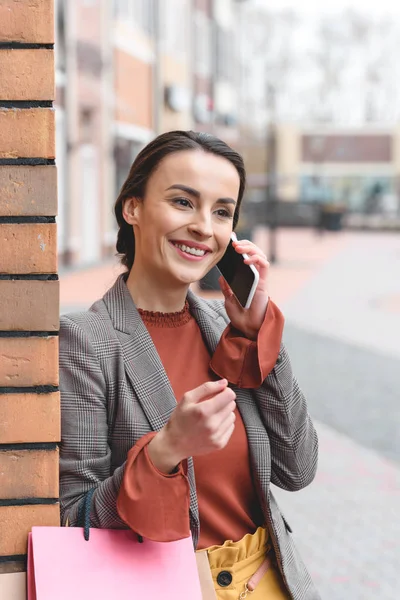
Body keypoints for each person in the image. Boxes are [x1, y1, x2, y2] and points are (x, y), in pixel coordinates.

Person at [59, 131, 320, 600]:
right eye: (183, 202)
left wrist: (258, 333)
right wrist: (166, 451)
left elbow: (297, 468)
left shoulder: (228, 331)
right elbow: (73, 517)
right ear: (132, 207)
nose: (204, 226)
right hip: (165, 587)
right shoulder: (85, 342)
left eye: (222, 211)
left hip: (268, 584)